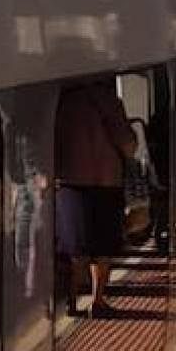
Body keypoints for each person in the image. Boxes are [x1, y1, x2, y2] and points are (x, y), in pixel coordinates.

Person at [54, 78, 137, 318]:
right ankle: (97, 301)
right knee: (102, 246)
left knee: (75, 246)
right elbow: (128, 143)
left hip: (70, 183)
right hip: (106, 182)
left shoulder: (62, 103)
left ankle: (70, 300)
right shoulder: (109, 101)